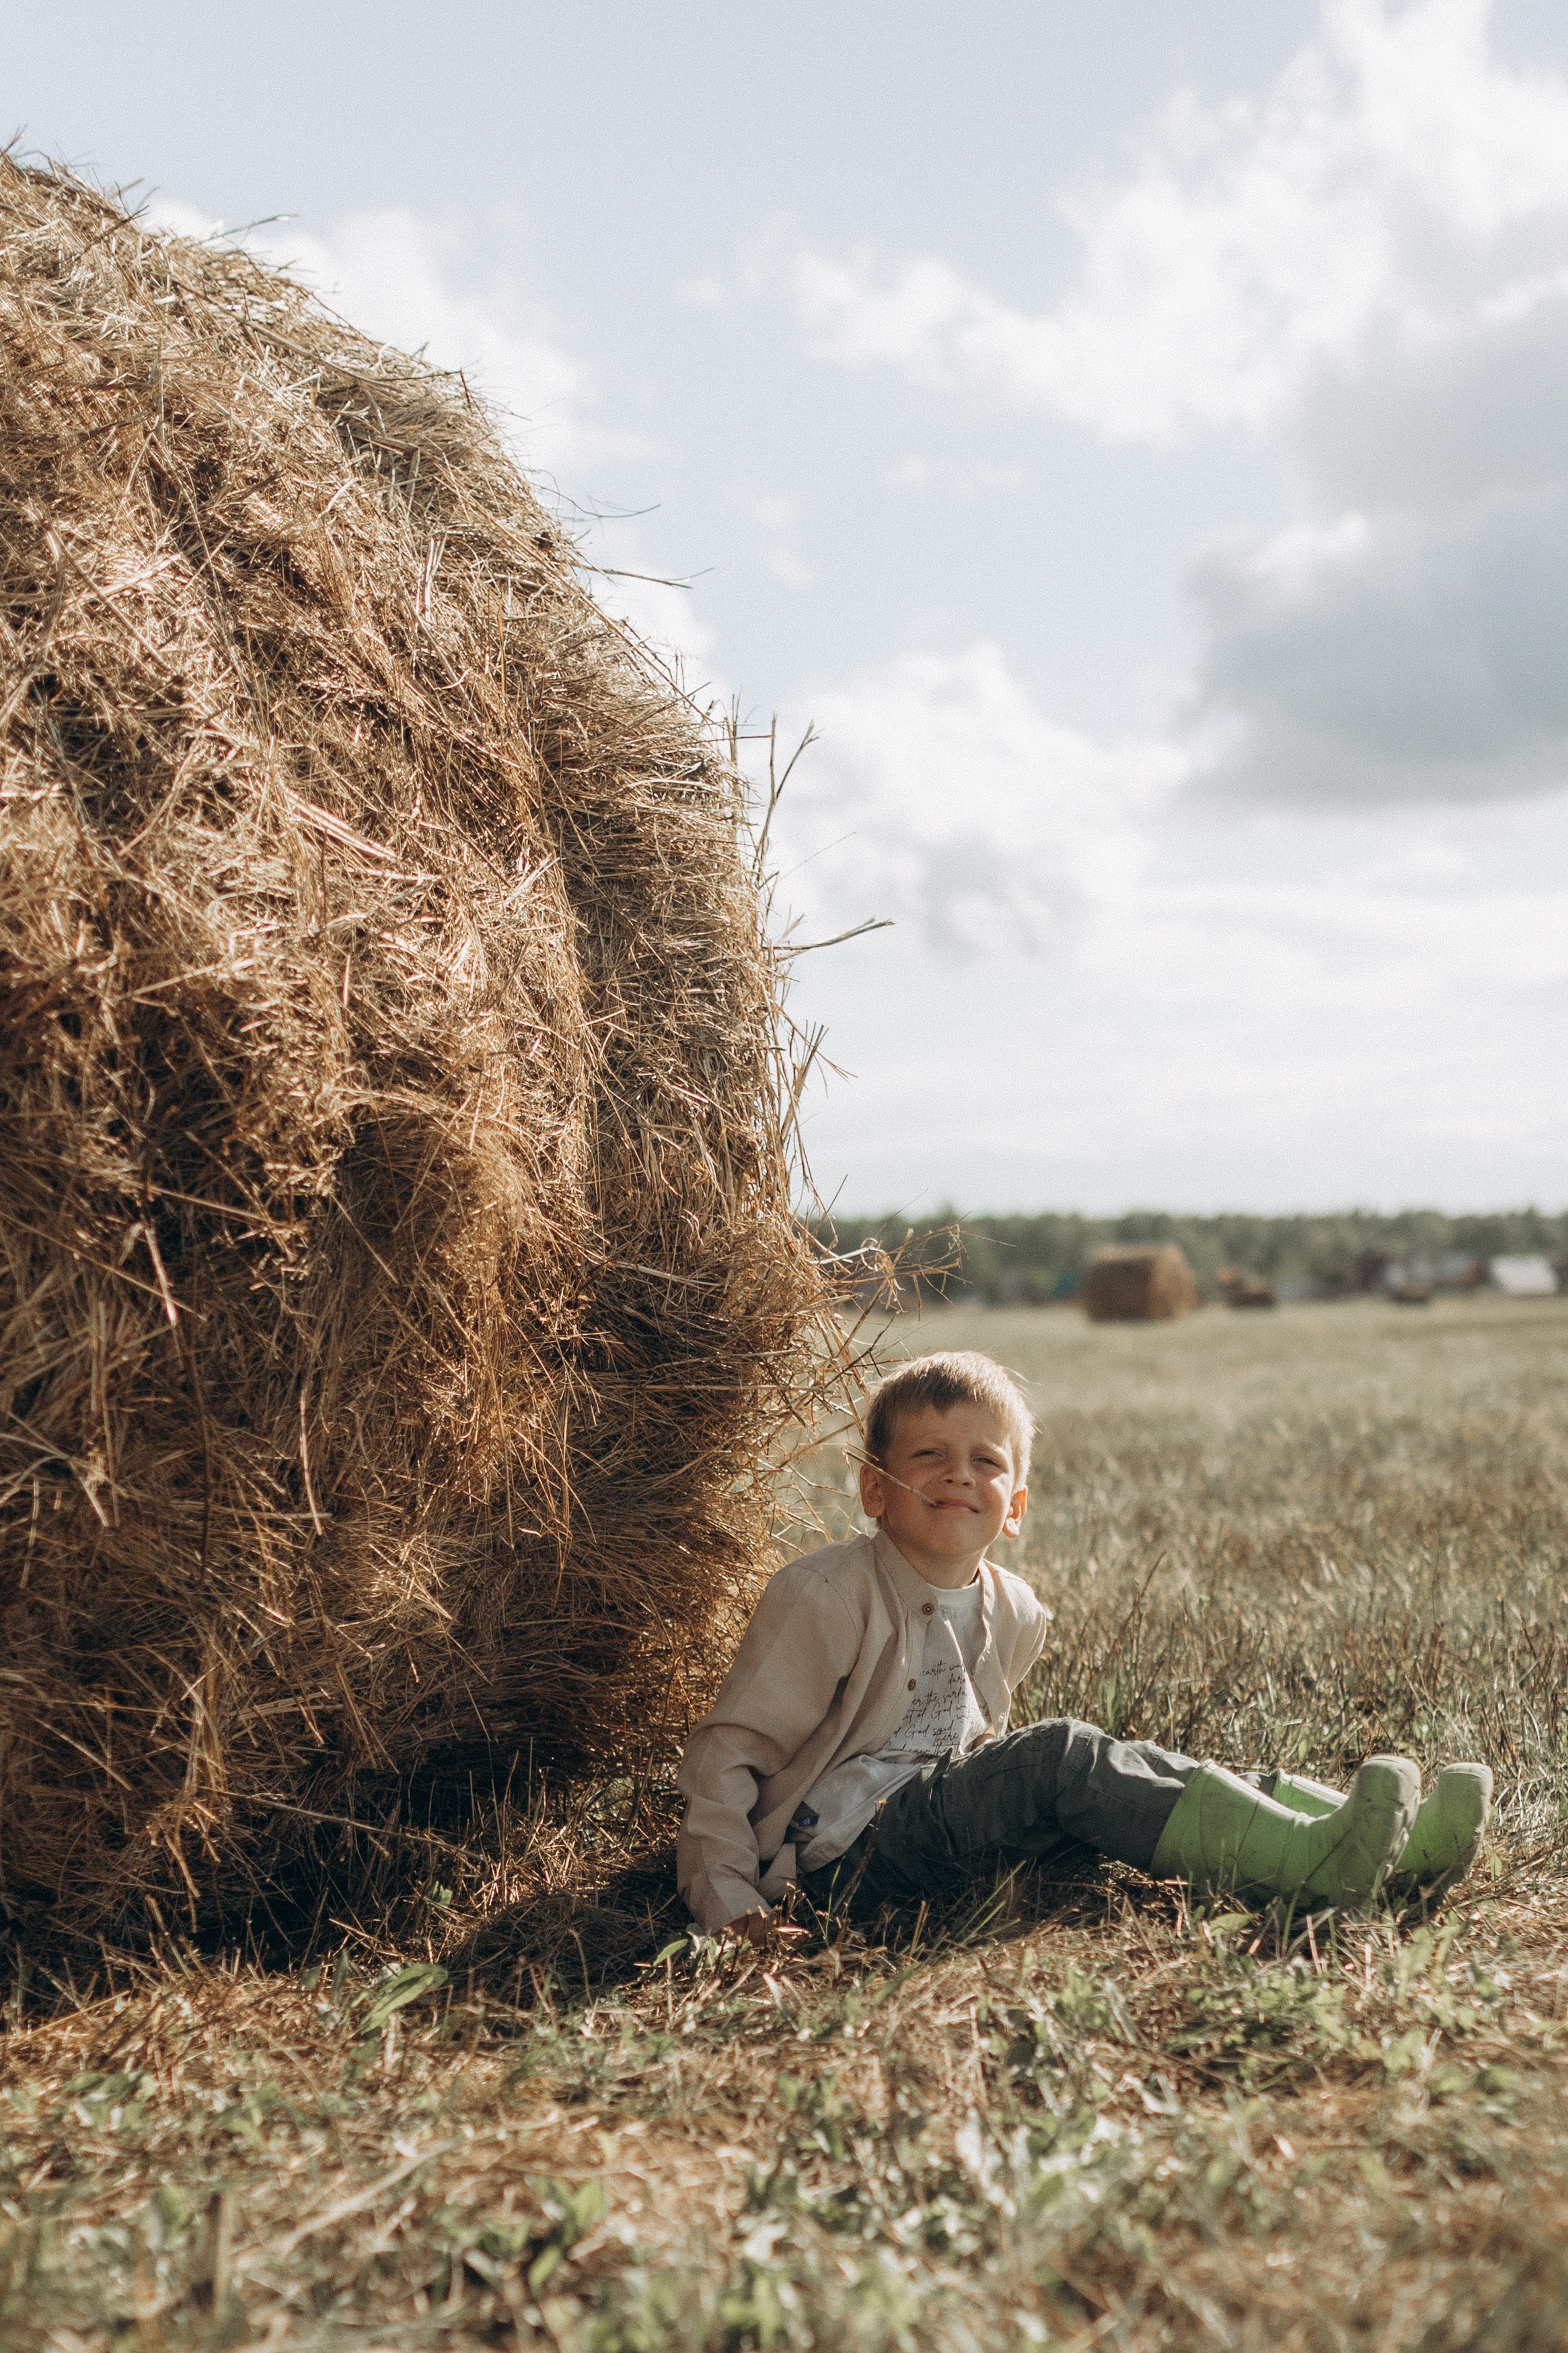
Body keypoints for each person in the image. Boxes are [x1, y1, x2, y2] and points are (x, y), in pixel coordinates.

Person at [675, 1350, 1491, 1947]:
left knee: (1139, 1766)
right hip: (839, 1860)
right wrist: (732, 1902)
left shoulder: (1016, 1610)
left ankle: (1380, 1845)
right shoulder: (823, 1595)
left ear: (1015, 1505)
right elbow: (725, 1755)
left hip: (949, 1830)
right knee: (1059, 1757)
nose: (959, 1474)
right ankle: (1309, 1863)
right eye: (929, 1454)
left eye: (986, 1460)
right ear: (873, 1487)